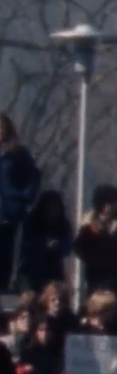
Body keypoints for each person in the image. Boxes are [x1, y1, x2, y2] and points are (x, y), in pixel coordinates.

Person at [74, 184, 117, 298]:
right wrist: (90, 257)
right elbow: (79, 246)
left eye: (113, 202)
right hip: (95, 276)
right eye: (106, 203)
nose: (109, 206)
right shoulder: (89, 222)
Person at [0, 115, 40, 291]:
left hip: (9, 210)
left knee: (6, 250)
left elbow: (34, 176)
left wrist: (24, 198)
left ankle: (3, 285)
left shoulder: (18, 152)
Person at [14, 189, 72, 293]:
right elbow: (26, 245)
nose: (53, 210)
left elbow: (67, 247)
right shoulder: (32, 222)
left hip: (54, 270)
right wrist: (44, 245)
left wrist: (58, 245)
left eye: (56, 207)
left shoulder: (63, 224)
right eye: (50, 206)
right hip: (33, 270)